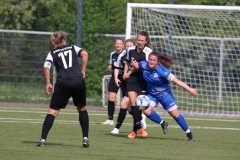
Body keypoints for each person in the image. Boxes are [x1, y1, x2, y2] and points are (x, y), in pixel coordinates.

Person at [36, 31, 90, 147]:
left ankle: (42, 140)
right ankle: (85, 138)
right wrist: (83, 70)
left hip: (63, 83)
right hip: (77, 81)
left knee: (53, 111)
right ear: (64, 40)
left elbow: (46, 67)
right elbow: (85, 54)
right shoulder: (72, 48)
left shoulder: (52, 53)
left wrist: (48, 83)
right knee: (82, 109)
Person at [131, 51, 197, 141]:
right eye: (150, 59)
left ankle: (189, 133)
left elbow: (177, 81)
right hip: (152, 95)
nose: (151, 61)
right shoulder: (144, 64)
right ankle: (163, 123)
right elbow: (138, 66)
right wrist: (134, 66)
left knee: (175, 115)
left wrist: (190, 89)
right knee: (146, 110)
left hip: (165, 95)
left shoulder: (163, 71)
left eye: (154, 60)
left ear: (157, 62)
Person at [122, 31, 167, 139]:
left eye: (142, 40)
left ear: (146, 41)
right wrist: (125, 72)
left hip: (143, 80)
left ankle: (134, 131)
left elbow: (149, 67)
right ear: (136, 39)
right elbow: (127, 62)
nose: (140, 42)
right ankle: (140, 128)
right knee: (133, 102)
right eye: (138, 40)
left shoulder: (148, 52)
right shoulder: (131, 50)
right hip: (132, 80)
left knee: (138, 106)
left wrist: (137, 68)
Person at [110, 38, 147, 134]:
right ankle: (118, 128)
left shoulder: (140, 54)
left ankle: (133, 126)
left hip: (136, 82)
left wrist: (129, 72)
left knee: (131, 104)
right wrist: (116, 78)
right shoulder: (122, 56)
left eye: (130, 46)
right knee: (126, 106)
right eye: (127, 46)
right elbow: (116, 67)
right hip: (126, 81)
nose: (128, 48)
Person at [102, 38, 125, 125]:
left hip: (124, 78)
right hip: (115, 77)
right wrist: (110, 66)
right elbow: (112, 64)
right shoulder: (112, 54)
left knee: (126, 100)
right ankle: (110, 119)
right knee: (111, 98)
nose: (118, 45)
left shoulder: (125, 54)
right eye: (117, 43)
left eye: (120, 44)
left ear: (123, 45)